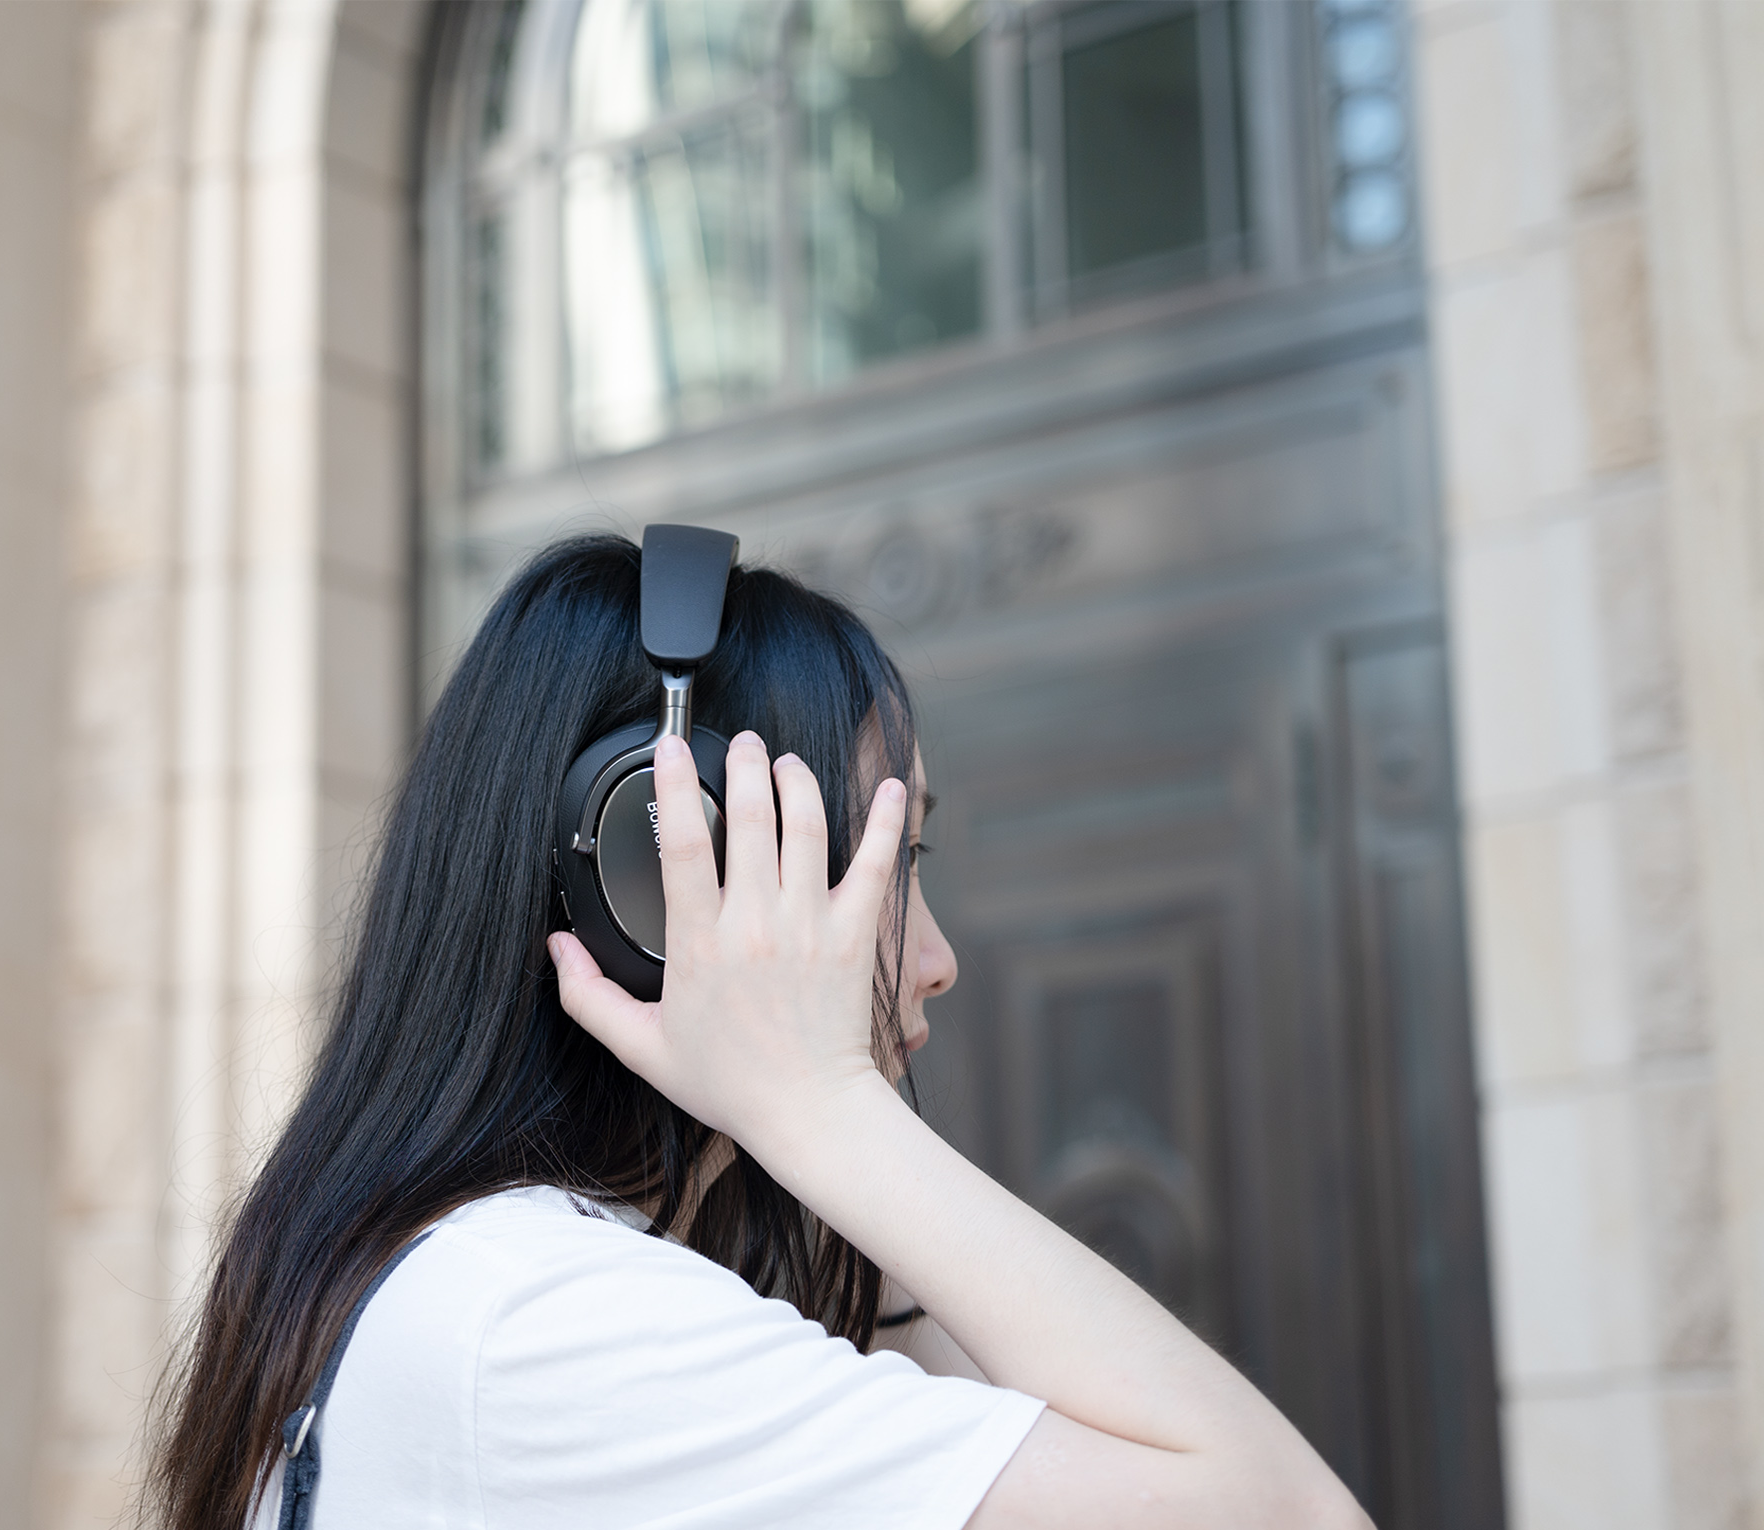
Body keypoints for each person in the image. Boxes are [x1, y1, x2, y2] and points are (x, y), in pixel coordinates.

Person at [144, 534, 1371, 1529]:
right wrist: (822, 1105)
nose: (936, 962)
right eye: (896, 864)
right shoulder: (542, 1324)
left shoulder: (479, 1292)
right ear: (657, 876)